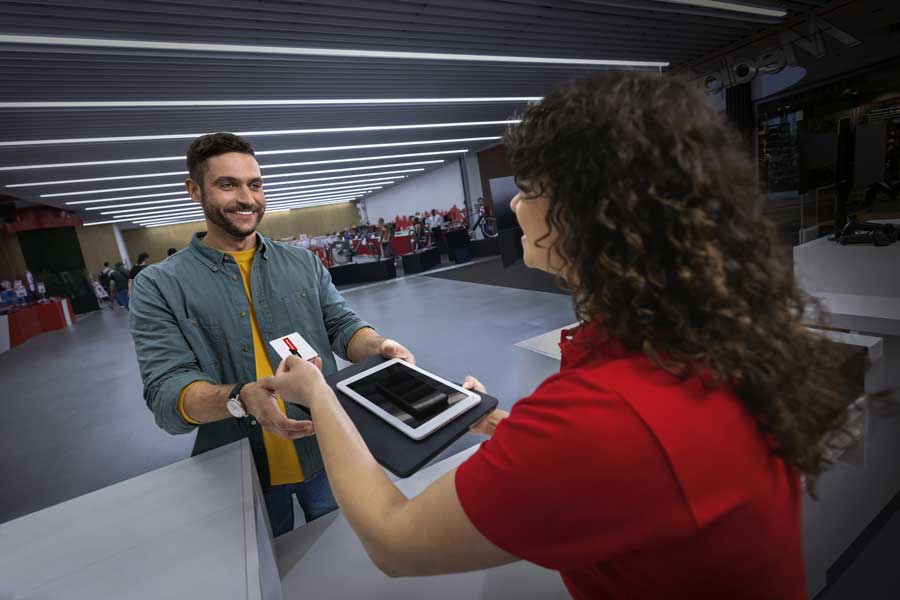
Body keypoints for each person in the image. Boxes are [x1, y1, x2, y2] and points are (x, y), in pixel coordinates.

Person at [270, 73, 852, 599]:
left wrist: (319, 394)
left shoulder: (603, 416)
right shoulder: (699, 340)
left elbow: (394, 540)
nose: (516, 204)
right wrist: (505, 429)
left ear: (585, 213)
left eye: (529, 188)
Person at [129, 132, 415, 537]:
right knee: (266, 568)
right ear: (194, 190)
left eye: (255, 184)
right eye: (227, 184)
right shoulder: (159, 285)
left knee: (346, 554)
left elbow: (341, 325)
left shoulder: (302, 263)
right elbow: (166, 390)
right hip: (241, 471)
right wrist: (240, 398)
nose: (247, 198)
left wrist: (380, 346)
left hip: (326, 450)